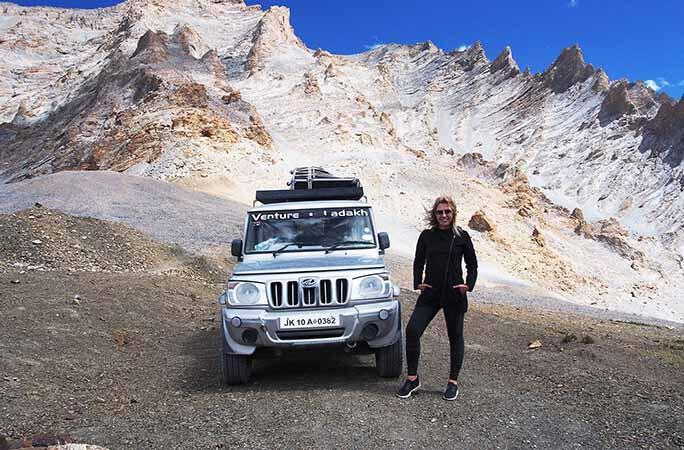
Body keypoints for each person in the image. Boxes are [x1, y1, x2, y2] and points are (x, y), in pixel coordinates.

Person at [396, 195, 478, 401]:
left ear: (453, 213)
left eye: (447, 212)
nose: (444, 215)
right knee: (412, 330)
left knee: (455, 337)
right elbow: (418, 261)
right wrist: (418, 282)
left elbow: (472, 264)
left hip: (454, 294)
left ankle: (452, 382)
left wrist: (468, 285)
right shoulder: (426, 236)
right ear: (434, 214)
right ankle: (412, 378)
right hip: (431, 293)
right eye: (440, 212)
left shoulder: (462, 236)